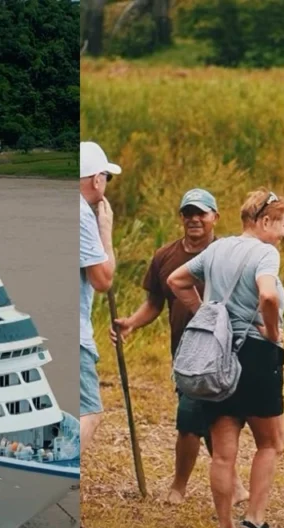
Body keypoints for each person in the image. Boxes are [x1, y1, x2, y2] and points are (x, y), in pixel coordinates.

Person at [167, 188, 284, 528]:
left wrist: (206, 314)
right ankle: (254, 521)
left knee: (223, 452)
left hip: (217, 356)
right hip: (255, 355)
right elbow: (267, 294)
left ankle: (225, 527)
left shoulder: (216, 249)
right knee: (272, 442)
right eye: (282, 224)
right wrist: (273, 332)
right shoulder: (266, 253)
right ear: (265, 221)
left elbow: (176, 280)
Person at [110, 188, 249, 505]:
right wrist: (131, 322)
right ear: (181, 218)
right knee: (192, 420)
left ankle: (213, 486)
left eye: (201, 213)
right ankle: (190, 486)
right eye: (188, 213)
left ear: (215, 217)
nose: (194, 219)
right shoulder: (165, 256)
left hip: (224, 352)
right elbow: (154, 304)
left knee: (213, 419)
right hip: (186, 354)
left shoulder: (229, 254)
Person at [79, 141, 119, 528]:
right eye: (106, 175)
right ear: (96, 178)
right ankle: (59, 477)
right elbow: (104, 280)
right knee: (90, 411)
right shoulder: (82, 215)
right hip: (76, 335)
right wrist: (105, 232)